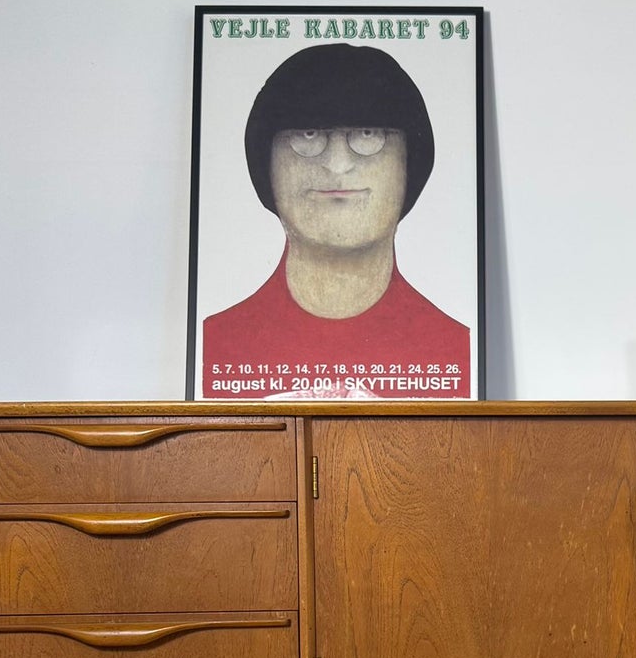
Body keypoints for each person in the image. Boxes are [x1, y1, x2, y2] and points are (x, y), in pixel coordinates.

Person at [201, 43, 470, 397]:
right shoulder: (215, 351)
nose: (338, 165)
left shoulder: (457, 357)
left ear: (408, 164)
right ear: (267, 164)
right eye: (308, 135)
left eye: (368, 135)